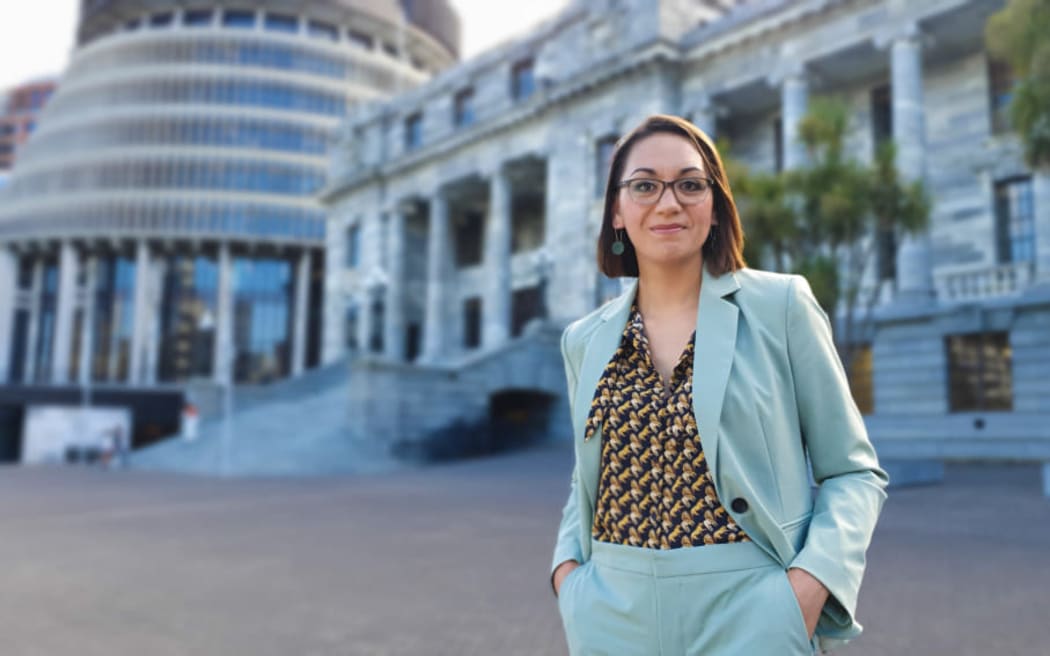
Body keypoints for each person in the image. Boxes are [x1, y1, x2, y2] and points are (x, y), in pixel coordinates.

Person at [550, 114, 888, 655]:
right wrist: (568, 576)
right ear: (617, 208)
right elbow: (585, 477)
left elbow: (852, 471)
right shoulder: (583, 341)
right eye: (644, 186)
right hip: (611, 617)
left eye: (689, 184)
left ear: (715, 204)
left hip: (753, 613)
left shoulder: (781, 306)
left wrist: (804, 592)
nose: (668, 203)